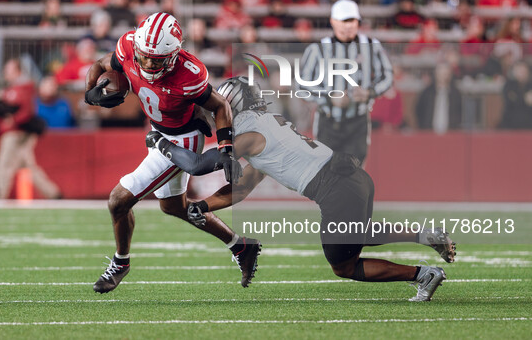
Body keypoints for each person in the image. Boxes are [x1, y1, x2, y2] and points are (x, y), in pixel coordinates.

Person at [146, 76, 456, 302]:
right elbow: (241, 188)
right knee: (354, 239)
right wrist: (202, 206)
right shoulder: (266, 126)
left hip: (335, 187)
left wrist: (161, 143)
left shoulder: (248, 131)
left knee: (343, 264)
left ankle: (423, 270)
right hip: (351, 180)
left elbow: (199, 164)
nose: (217, 116)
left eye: (220, 109)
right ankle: (424, 241)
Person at [84, 12, 260, 293]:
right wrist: (89, 92)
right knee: (173, 207)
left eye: (156, 59)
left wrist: (226, 147)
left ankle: (121, 262)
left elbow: (220, 105)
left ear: (174, 55)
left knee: (118, 199)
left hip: (183, 139)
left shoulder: (189, 72)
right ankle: (241, 246)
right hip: (160, 130)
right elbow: (100, 63)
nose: (148, 63)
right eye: (144, 57)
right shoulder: (129, 46)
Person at [299, 0, 393, 164]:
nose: (348, 25)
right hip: (328, 121)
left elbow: (387, 75)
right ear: (333, 22)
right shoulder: (318, 49)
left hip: (358, 121)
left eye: (352, 20)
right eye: (344, 21)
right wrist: (329, 97)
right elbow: (302, 84)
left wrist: (369, 92)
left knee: (354, 175)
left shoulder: (371, 45)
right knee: (326, 172)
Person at [0, 58, 61, 199]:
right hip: (17, 133)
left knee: (3, 164)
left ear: (17, 71)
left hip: (17, 133)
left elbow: (26, 112)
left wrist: (12, 120)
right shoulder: (10, 89)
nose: (5, 73)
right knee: (29, 167)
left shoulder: (24, 88)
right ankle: (53, 193)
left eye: (9, 70)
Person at [415, 62, 462, 133]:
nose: (443, 77)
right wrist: (423, 126)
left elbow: (459, 113)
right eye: (441, 74)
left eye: (446, 74)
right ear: (436, 75)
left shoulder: (455, 94)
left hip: (450, 133)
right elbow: (419, 110)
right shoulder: (427, 93)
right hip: (429, 133)